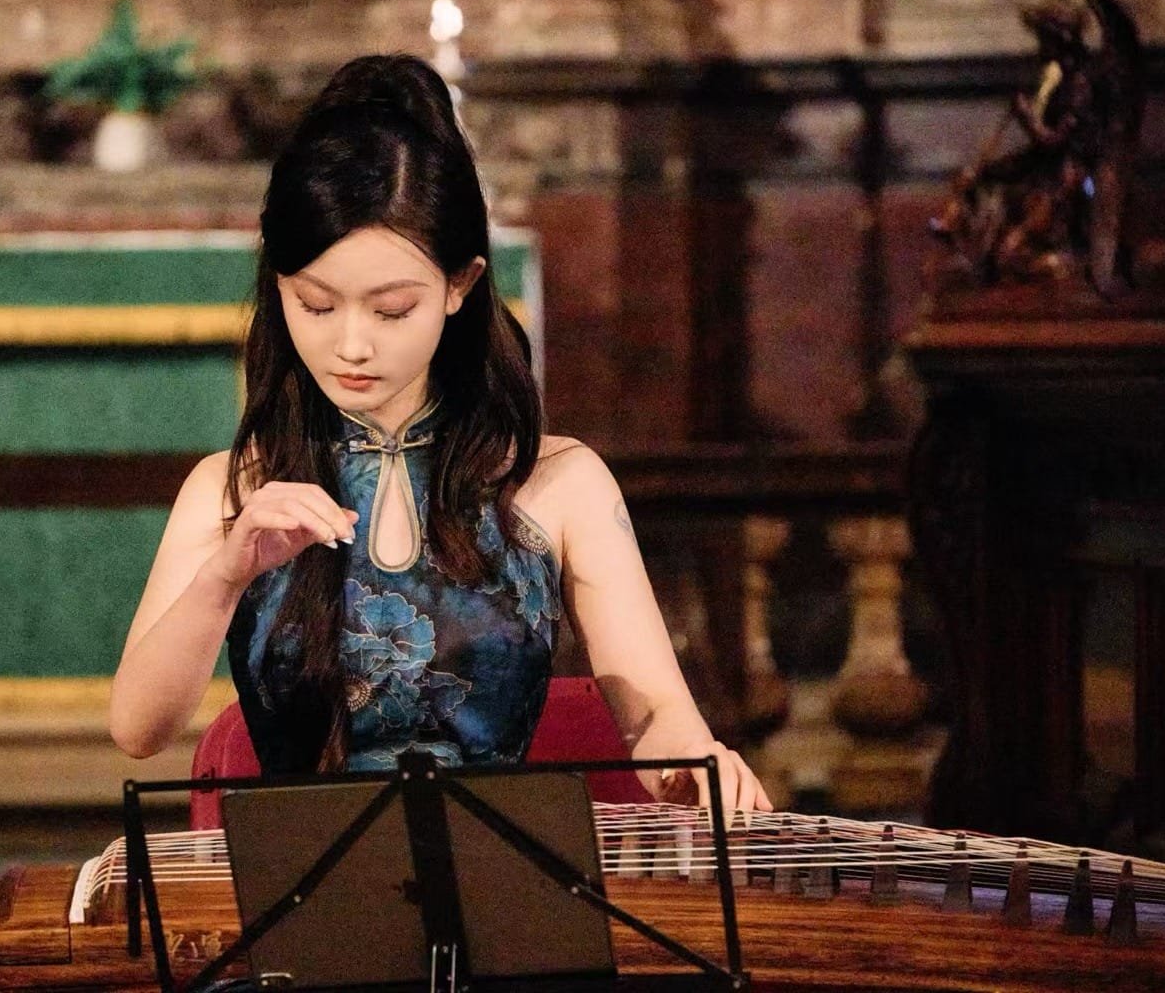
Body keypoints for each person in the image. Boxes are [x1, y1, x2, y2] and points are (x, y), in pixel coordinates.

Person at [110, 54, 771, 815]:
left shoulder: (558, 483)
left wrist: (700, 766)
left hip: (501, 894)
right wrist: (224, 575)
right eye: (315, 306)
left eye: (390, 310)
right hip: (298, 902)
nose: (351, 345)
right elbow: (138, 729)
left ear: (460, 284)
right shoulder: (233, 488)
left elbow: (657, 720)